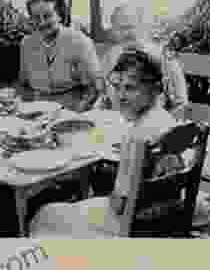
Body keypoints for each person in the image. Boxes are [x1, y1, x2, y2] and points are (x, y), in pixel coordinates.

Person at [29, 46, 189, 237]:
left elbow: (119, 204)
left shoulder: (137, 136)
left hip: (131, 224)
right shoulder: (166, 120)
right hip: (165, 214)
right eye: (117, 87)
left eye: (130, 88)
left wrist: (102, 197)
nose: (120, 96)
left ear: (155, 89)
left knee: (46, 215)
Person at [95, 2, 189, 114]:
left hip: (155, 124)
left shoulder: (164, 57)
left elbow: (181, 103)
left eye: (129, 27)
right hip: (118, 123)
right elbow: (100, 96)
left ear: (141, 26)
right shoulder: (110, 57)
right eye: (119, 29)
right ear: (114, 31)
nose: (125, 34)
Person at [18, 0, 102, 112]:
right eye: (36, 17)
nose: (41, 23)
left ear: (60, 16)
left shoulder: (79, 42)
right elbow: (24, 84)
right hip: (38, 110)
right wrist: (26, 110)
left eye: (47, 16)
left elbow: (94, 89)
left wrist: (77, 113)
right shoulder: (27, 44)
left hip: (72, 108)